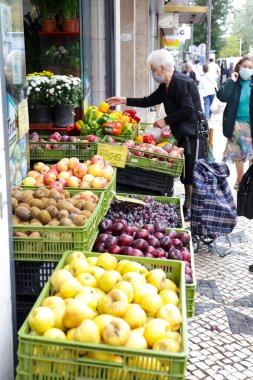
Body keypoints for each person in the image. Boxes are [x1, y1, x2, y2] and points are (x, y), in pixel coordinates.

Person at [106, 48, 207, 221]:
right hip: (181, 131)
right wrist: (123, 100)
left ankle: (190, 207)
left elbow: (188, 109)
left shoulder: (180, 82)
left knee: (190, 171)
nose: (153, 74)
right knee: (183, 170)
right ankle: (187, 205)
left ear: (163, 67)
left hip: (192, 132)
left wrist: (165, 120)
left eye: (153, 70)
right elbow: (147, 101)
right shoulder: (165, 87)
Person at [216, 55, 253, 190]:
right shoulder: (234, 83)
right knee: (238, 153)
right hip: (235, 124)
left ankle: (250, 180)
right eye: (245, 67)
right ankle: (240, 178)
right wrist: (232, 80)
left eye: (250, 68)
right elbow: (222, 96)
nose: (247, 70)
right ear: (239, 67)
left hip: (250, 124)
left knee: (251, 154)